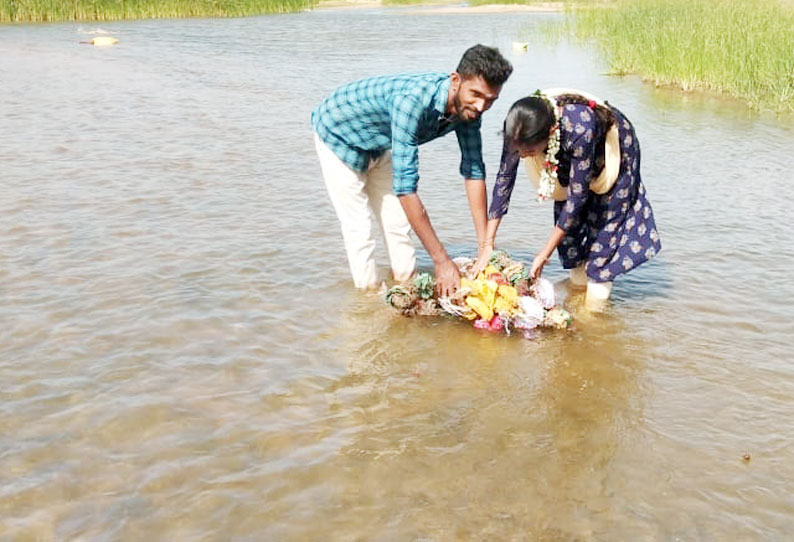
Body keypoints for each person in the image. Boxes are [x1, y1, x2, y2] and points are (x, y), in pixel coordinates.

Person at [311, 45, 513, 296]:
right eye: (476, 94)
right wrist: (441, 261)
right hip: (339, 135)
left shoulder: (470, 110)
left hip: (380, 142)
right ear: (455, 81)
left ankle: (407, 291)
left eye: (491, 100)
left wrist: (485, 245)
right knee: (359, 230)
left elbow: (473, 170)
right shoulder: (412, 102)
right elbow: (407, 189)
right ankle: (369, 302)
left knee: (397, 224)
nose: (482, 106)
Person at [474, 89, 661, 308]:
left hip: (612, 155)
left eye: (530, 151)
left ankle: (592, 313)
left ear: (551, 132)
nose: (523, 156)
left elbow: (576, 199)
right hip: (567, 155)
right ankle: (577, 286)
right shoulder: (517, 129)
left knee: (604, 232)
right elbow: (504, 179)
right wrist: (487, 244)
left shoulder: (580, 127)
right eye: (519, 150)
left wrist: (543, 255)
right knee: (570, 235)